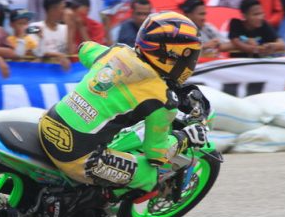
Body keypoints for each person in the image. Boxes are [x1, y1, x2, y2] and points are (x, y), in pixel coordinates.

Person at [38, 11, 208, 201]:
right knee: (151, 176)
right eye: (191, 55)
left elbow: (84, 48)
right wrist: (185, 138)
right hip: (76, 156)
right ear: (172, 56)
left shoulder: (115, 51)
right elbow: (156, 154)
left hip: (48, 123)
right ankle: (94, 203)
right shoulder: (162, 99)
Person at [30, 0, 70, 70]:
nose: (65, 11)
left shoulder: (66, 28)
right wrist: (58, 55)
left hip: (62, 72)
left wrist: (71, 26)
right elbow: (36, 52)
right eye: (62, 8)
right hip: (42, 71)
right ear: (53, 9)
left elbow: (71, 52)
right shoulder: (34, 27)